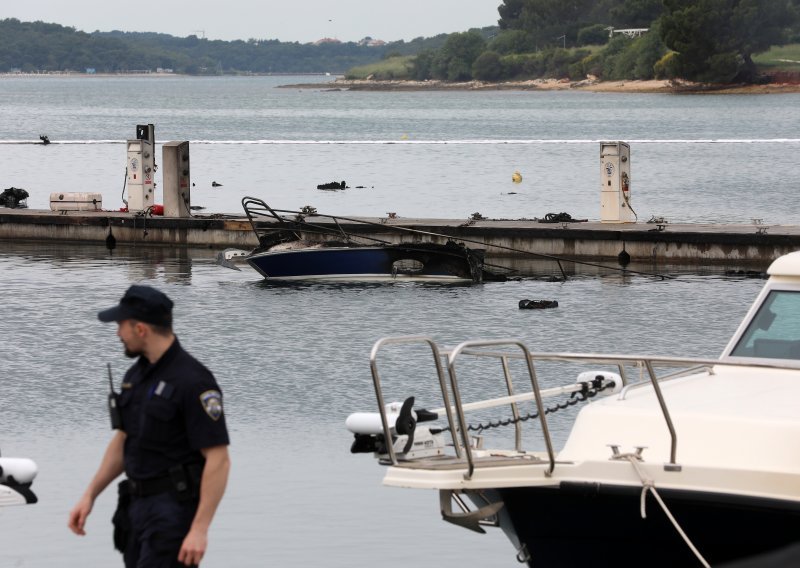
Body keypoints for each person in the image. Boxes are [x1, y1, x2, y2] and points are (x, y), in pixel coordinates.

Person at [68, 284, 231, 567]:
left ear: (141, 328)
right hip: (135, 508)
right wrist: (89, 495)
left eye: (121, 325)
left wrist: (199, 529)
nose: (118, 334)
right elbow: (124, 440)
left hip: (172, 513)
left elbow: (219, 460)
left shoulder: (194, 381)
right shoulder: (136, 375)